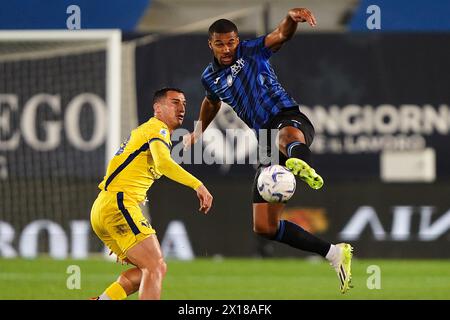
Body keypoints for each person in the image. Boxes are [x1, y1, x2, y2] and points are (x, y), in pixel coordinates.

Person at [183, 8, 353, 293]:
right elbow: (212, 101)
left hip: (287, 117)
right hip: (263, 139)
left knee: (286, 138)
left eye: (232, 42)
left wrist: (290, 17)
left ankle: (300, 163)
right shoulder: (209, 77)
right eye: (221, 43)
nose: (227, 48)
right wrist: (199, 129)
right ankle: (334, 253)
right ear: (210, 44)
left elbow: (281, 35)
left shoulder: (252, 51)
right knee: (264, 226)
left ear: (238, 40)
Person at [90, 88, 213, 300]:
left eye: (183, 103)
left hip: (107, 207)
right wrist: (198, 185)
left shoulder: (151, 131)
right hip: (119, 204)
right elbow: (163, 164)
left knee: (147, 270)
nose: (181, 108)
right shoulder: (158, 128)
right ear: (158, 108)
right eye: (174, 102)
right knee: (155, 266)